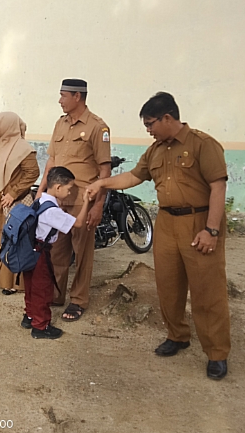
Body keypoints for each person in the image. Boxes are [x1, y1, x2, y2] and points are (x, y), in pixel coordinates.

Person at [85, 92, 231, 380]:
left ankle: (216, 353)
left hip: (199, 222)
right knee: (168, 285)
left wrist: (211, 230)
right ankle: (177, 336)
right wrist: (102, 183)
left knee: (207, 290)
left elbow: (218, 187)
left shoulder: (203, 144)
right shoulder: (155, 151)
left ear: (167, 118)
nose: (148, 130)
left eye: (150, 124)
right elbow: (134, 176)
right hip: (166, 222)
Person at [36, 78, 111, 322]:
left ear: (77, 96)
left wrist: (98, 205)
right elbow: (51, 161)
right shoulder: (60, 124)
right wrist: (41, 191)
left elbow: (105, 171)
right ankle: (56, 294)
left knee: (82, 254)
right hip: (57, 200)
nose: (60, 100)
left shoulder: (97, 127)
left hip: (82, 201)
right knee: (56, 250)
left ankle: (78, 300)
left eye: (63, 95)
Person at [22, 167, 92, 339]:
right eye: (69, 188)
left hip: (29, 250)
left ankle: (29, 316)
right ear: (58, 187)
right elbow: (78, 223)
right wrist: (86, 202)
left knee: (30, 286)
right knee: (43, 289)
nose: (70, 193)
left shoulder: (40, 200)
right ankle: (41, 326)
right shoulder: (52, 211)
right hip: (41, 254)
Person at [0, 112, 40, 293]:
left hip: (9, 202)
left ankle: (10, 282)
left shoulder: (23, 148)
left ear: (9, 126)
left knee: (10, 238)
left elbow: (32, 173)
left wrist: (13, 192)